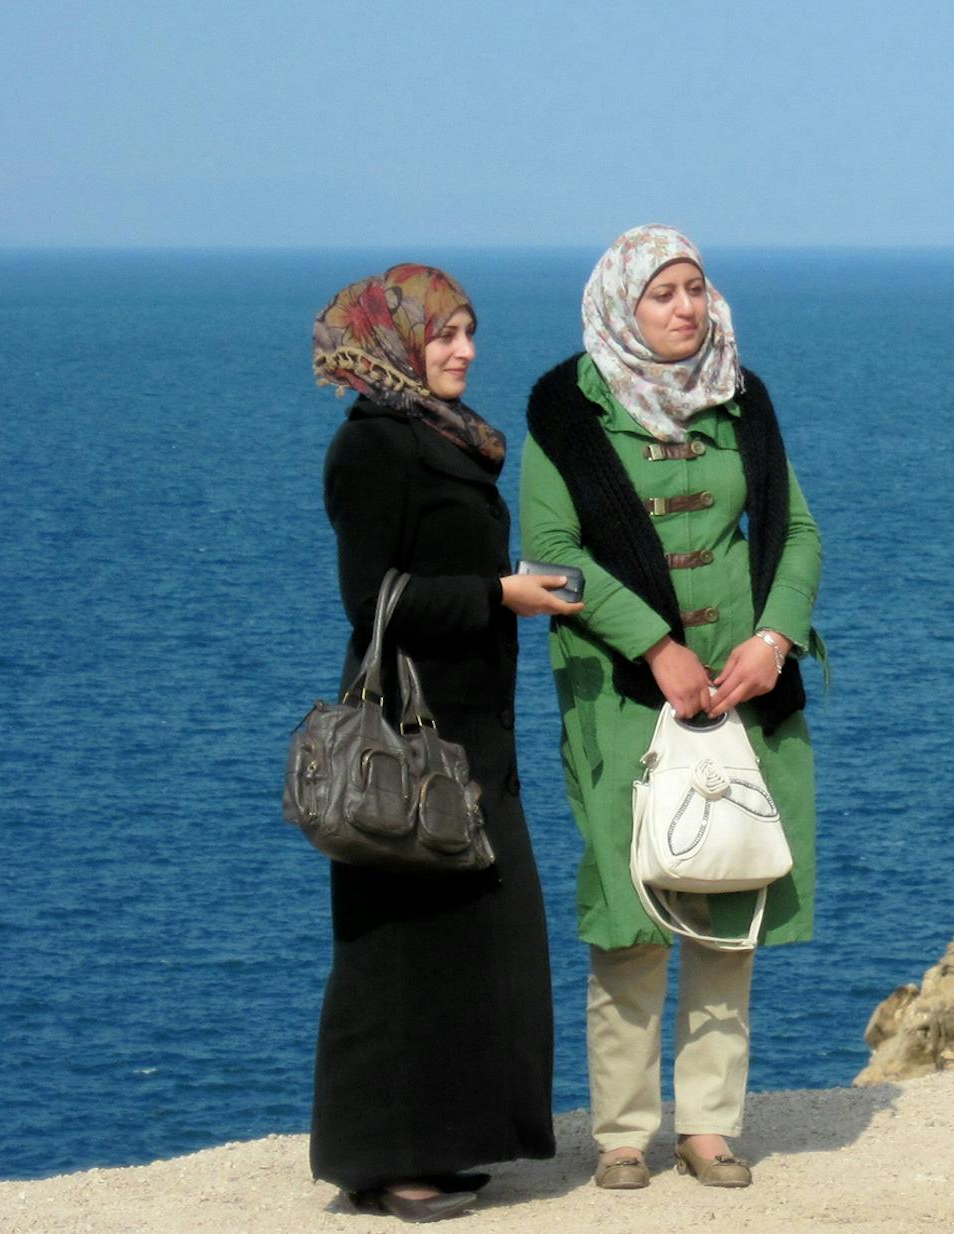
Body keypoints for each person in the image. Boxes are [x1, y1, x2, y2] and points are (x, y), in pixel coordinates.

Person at [521, 226, 821, 1191]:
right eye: (664, 294)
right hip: (618, 690)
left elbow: (798, 530)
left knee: (729, 893)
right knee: (629, 904)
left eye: (697, 288)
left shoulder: (744, 398)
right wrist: (655, 645)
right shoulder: (566, 412)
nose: (688, 307)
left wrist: (771, 641)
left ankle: (708, 1125)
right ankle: (621, 1130)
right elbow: (551, 556)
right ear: (622, 305)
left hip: (740, 686)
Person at [308, 264, 578, 1223]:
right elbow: (371, 598)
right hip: (409, 736)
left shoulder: (439, 435)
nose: (464, 351)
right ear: (397, 343)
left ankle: (452, 1138)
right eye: (445, 336)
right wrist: (499, 594)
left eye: (470, 333)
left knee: (480, 942)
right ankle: (387, 1161)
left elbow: (438, 568)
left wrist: (508, 581)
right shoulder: (376, 447)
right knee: (402, 955)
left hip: (470, 731)